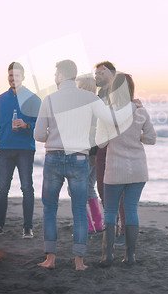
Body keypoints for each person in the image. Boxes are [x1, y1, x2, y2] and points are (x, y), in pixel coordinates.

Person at [34, 60, 138, 271]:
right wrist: (132, 105)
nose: (54, 78)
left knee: (50, 209)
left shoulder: (49, 100)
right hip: (79, 159)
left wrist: (53, 136)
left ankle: (50, 259)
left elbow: (38, 134)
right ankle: (79, 262)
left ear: (61, 76)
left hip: (54, 157)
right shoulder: (90, 98)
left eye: (55, 75)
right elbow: (112, 119)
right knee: (80, 209)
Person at [96, 73, 156, 265]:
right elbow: (151, 138)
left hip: (115, 169)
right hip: (138, 169)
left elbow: (101, 143)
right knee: (131, 209)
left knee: (111, 210)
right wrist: (136, 138)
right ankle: (130, 256)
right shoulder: (140, 111)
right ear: (131, 89)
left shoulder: (106, 113)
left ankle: (107, 255)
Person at [0, 62, 41, 239]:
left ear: (23, 77)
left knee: (27, 188)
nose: (13, 79)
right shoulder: (0, 100)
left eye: (17, 76)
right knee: (2, 189)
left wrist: (27, 124)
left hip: (25, 150)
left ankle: (28, 227)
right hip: (5, 150)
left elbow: (43, 123)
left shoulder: (33, 99)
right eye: (10, 76)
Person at [94, 61, 126, 246]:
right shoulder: (100, 95)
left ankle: (122, 231)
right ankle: (110, 228)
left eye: (101, 73)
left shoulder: (119, 92)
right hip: (101, 147)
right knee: (102, 189)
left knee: (118, 191)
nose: (97, 76)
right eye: (96, 73)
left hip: (116, 147)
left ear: (112, 74)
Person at [75, 75, 102, 234]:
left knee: (76, 190)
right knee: (89, 187)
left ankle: (88, 225)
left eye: (80, 87)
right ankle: (97, 223)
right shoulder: (98, 104)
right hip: (95, 155)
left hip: (85, 154)